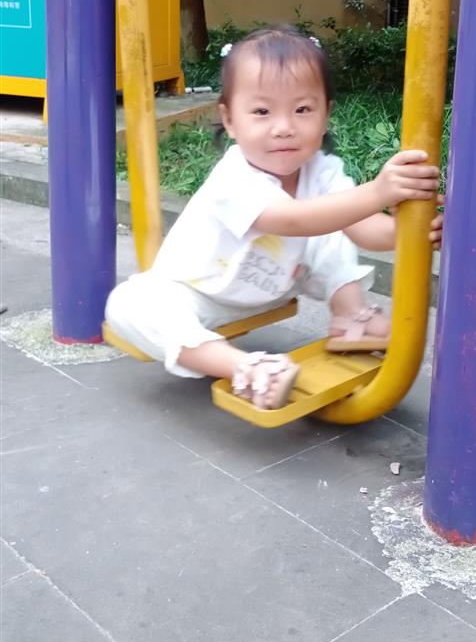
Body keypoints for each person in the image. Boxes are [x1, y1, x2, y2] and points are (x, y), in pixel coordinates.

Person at [106, 25, 443, 410]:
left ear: (326, 115)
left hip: (278, 286)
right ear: (230, 120)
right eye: (262, 112)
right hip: (200, 294)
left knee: (335, 219)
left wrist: (410, 229)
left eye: (302, 110)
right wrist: (377, 193)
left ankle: (352, 316)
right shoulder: (233, 178)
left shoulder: (323, 172)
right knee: (129, 303)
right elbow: (290, 219)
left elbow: (365, 229)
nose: (284, 128)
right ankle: (249, 369)